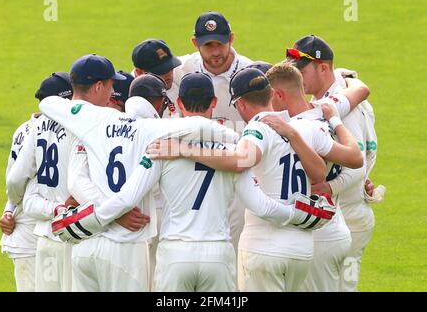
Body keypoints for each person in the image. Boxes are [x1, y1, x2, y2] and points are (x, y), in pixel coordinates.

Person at [51, 72, 334, 292]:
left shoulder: (162, 146)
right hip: (218, 255)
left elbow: (127, 198)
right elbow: (261, 206)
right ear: (214, 103)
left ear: (181, 104)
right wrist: (302, 216)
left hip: (175, 253)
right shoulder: (233, 146)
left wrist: (86, 222)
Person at [149, 68, 363, 291]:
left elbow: (241, 160)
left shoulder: (256, 130)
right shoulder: (304, 128)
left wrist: (185, 149)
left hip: (264, 246)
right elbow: (320, 173)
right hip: (301, 250)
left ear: (240, 104)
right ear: (271, 94)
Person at [38, 71, 240, 291]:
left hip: (86, 246)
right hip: (125, 245)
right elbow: (201, 126)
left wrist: (85, 108)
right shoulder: (154, 131)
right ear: (158, 104)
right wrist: (240, 139)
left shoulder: (93, 122)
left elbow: (48, 105)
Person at [6, 55, 125, 291]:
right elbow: (82, 182)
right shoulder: (92, 122)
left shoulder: (41, 121)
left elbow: (16, 177)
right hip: (78, 235)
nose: (112, 93)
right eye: (111, 86)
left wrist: (14, 206)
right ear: (99, 86)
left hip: (46, 238)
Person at [286, 35, 383, 291]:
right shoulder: (340, 95)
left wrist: (327, 188)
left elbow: (357, 166)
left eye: (302, 70)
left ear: (323, 67)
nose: (297, 77)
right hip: (351, 209)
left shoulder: (340, 106)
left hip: (349, 215)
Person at [265, 61, 368, 291]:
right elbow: (361, 90)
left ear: (278, 94)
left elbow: (354, 161)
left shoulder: (300, 129)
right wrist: (336, 117)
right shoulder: (326, 108)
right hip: (332, 225)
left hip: (319, 235)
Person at [168, 11, 254, 254]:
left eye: (220, 44)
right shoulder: (178, 71)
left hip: (238, 175)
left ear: (232, 39)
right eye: (208, 45)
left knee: (235, 249)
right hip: (189, 174)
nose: (215, 52)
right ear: (195, 43)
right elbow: (139, 80)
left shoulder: (252, 73)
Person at [0, 72, 73, 291]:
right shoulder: (48, 131)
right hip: (31, 231)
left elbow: (14, 180)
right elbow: (16, 179)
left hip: (33, 229)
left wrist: (10, 207)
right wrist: (11, 208)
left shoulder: (23, 129)